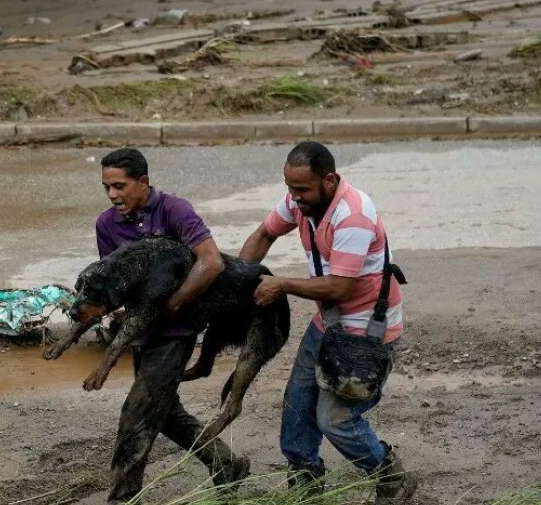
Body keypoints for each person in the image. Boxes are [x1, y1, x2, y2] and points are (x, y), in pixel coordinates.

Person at [238, 141, 414, 504]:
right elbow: (264, 234)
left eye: (302, 190)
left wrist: (281, 283)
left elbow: (339, 285)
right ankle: (306, 487)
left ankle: (391, 477)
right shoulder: (300, 199)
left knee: (335, 419)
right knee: (296, 408)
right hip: (329, 322)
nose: (294, 198)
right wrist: (238, 280)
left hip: (367, 331)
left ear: (330, 181)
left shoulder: (353, 215)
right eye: (289, 188)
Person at [93, 148, 250, 504]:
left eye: (119, 186)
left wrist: (174, 303)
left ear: (143, 182)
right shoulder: (106, 225)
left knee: (137, 414)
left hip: (176, 331)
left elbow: (211, 263)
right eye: (106, 187)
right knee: (165, 413)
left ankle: (123, 498)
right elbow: (113, 280)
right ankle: (226, 464)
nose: (112, 195)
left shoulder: (174, 210)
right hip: (139, 330)